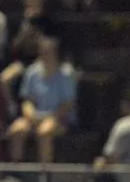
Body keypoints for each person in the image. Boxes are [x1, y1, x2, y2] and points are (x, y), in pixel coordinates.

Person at [6, 35, 77, 165]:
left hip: (58, 118)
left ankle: (44, 172)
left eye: (48, 52)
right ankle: (16, 169)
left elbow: (67, 105)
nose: (45, 55)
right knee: (16, 130)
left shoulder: (66, 74)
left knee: (44, 131)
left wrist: (48, 117)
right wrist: (31, 115)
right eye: (42, 52)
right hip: (34, 117)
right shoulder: (32, 72)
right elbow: (27, 101)